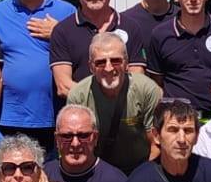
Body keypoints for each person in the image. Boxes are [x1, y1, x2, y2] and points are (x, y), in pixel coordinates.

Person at [0, 0, 77, 151]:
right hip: (10, 117)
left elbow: (83, 53)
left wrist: (58, 33)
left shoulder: (67, 11)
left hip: (53, 117)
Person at [64, 33, 161, 173]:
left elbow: (156, 144)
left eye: (116, 61)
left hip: (141, 167)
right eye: (100, 62)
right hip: (97, 171)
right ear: (91, 67)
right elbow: (75, 144)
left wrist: (142, 178)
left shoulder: (146, 90)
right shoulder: (79, 96)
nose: (108, 68)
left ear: (126, 63)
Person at [50, 0, 144, 97]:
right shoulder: (62, 31)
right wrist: (102, 103)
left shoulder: (131, 27)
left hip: (122, 114)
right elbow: (63, 86)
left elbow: (136, 80)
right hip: (79, 114)